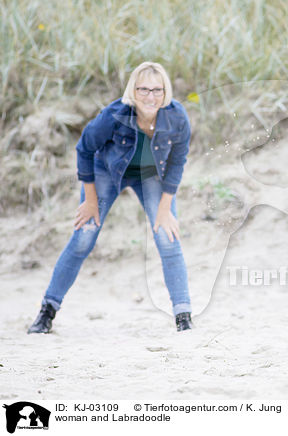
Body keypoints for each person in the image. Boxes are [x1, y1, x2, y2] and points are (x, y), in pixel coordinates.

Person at [27, 61, 193, 333]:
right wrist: (90, 201)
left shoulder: (177, 116)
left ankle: (183, 316)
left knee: (167, 236)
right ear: (133, 90)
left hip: (151, 175)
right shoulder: (114, 114)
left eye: (157, 90)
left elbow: (178, 161)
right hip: (106, 171)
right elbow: (84, 148)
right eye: (143, 90)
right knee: (83, 237)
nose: (150, 97)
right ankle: (47, 311)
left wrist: (165, 208)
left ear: (165, 92)